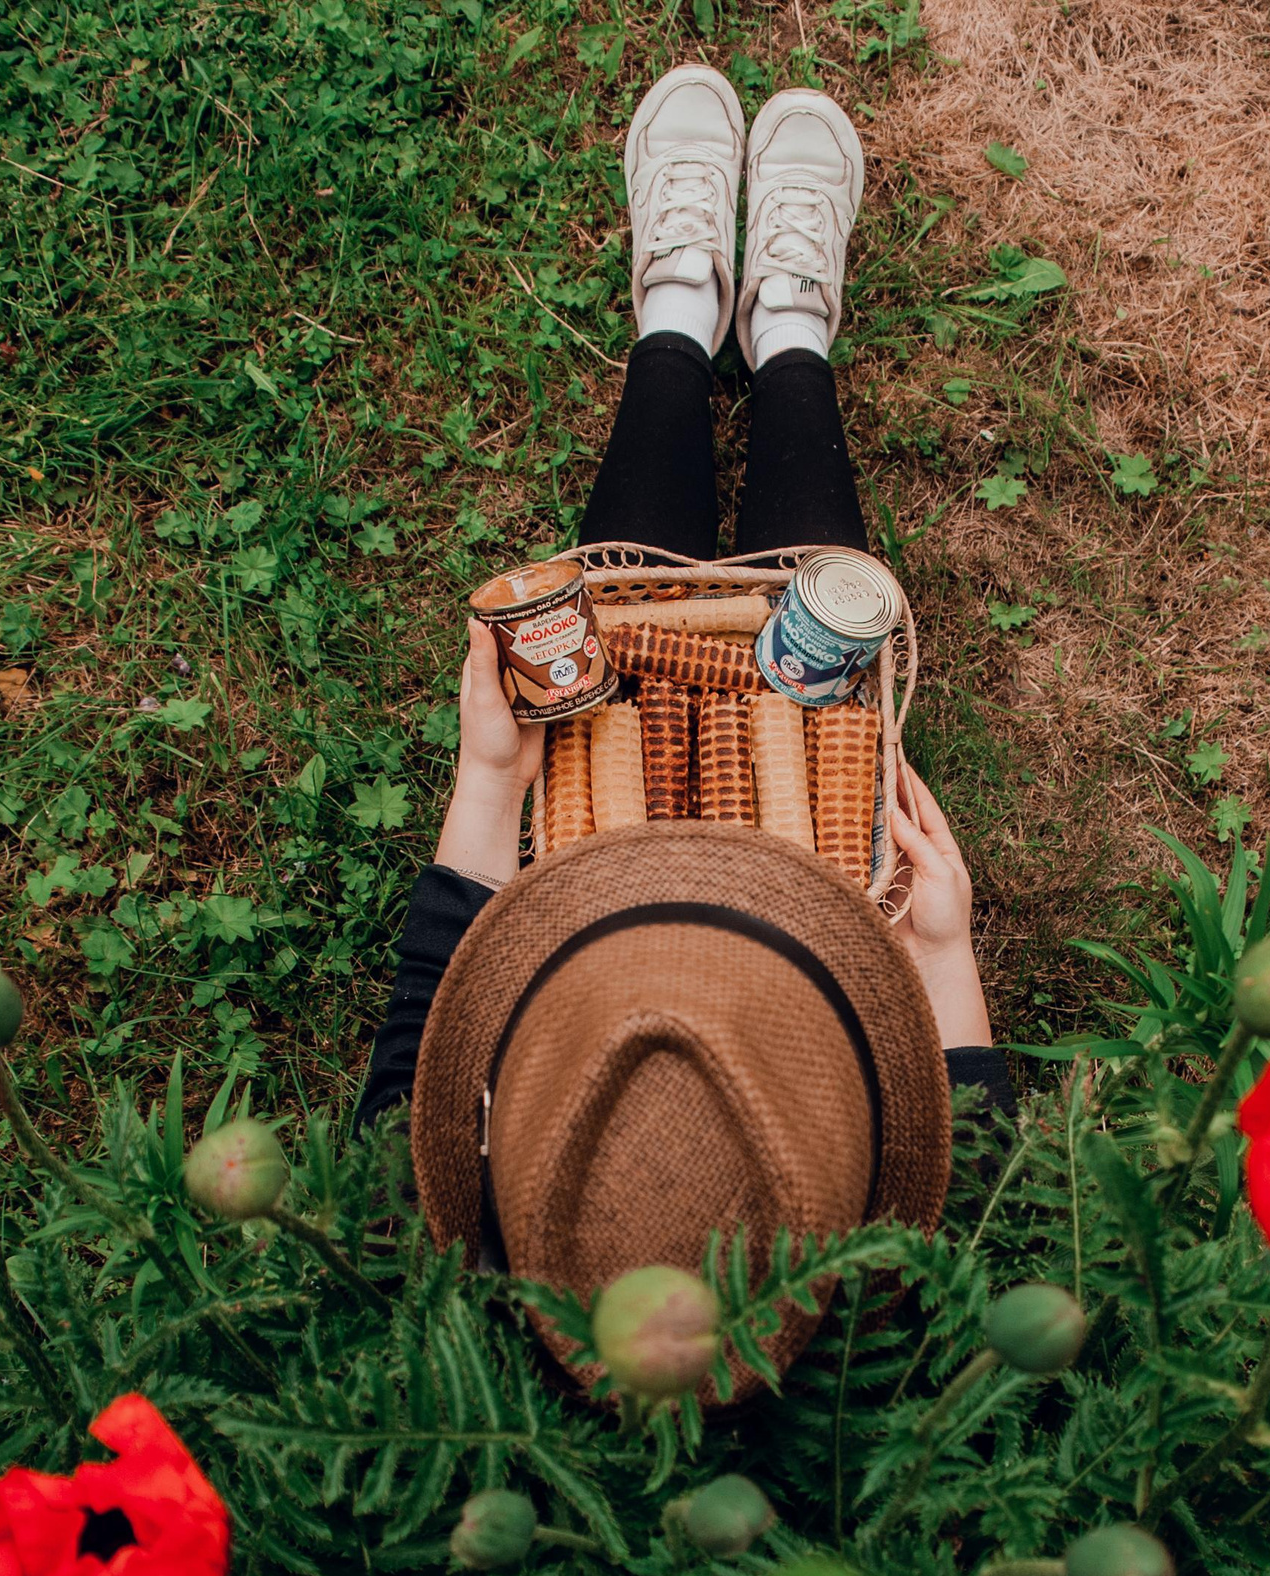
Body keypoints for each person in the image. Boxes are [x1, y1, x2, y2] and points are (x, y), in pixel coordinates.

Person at [354, 68, 1006, 1380]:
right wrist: (938, 960)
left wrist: (489, 783)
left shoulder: (460, 1270)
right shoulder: (864, 1337)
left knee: (618, 635)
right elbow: (973, 1177)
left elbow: (407, 1079)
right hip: (811, 959)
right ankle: (789, 334)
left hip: (597, 941)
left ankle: (677, 311)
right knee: (813, 649)